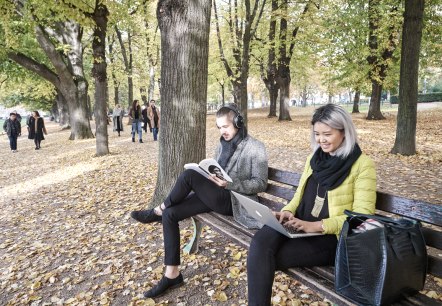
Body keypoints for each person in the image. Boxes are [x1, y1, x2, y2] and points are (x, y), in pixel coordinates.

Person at [131, 103, 268, 298]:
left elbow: (261, 183)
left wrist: (229, 184)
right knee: (171, 215)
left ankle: (157, 210)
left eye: (226, 127)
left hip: (235, 201)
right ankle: (172, 274)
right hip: (215, 196)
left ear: (238, 122)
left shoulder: (256, 147)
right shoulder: (221, 145)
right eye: (219, 127)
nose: (223, 131)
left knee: (188, 176)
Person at [246, 104, 377, 306]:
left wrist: (315, 226)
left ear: (344, 132)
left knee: (263, 257)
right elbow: (299, 195)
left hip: (330, 238)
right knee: (259, 244)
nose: (321, 140)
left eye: (327, 134)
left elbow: (360, 218)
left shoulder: (362, 165)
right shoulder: (314, 158)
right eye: (317, 134)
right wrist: (287, 211)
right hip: (299, 224)